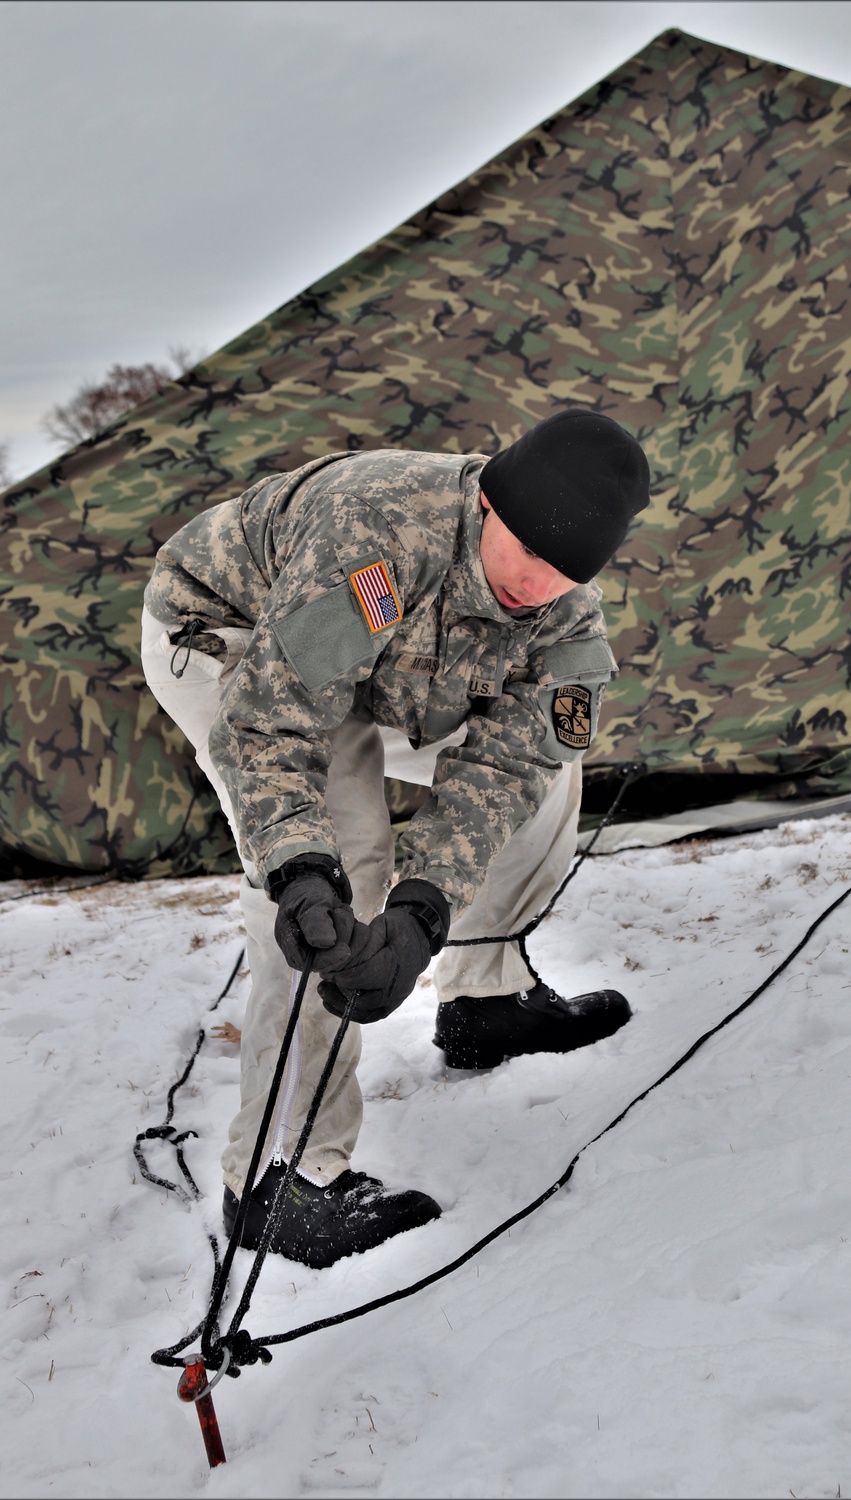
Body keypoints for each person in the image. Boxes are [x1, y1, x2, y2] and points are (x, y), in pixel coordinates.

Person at [141, 408, 650, 1269]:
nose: (535, 580)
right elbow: (273, 723)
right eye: (524, 548)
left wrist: (422, 915)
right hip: (234, 638)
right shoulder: (378, 534)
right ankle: (279, 1176)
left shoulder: (564, 617)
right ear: (490, 504)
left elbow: (505, 767)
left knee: (548, 771)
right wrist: (300, 873)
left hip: (392, 674)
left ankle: (484, 995)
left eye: (562, 569)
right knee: (339, 876)